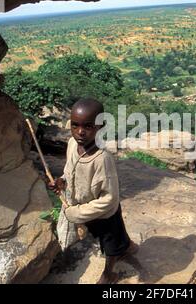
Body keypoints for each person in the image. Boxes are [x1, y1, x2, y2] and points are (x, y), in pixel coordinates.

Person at [49, 98, 138, 284]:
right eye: (75, 125)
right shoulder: (73, 145)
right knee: (116, 234)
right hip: (84, 206)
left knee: (109, 243)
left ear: (100, 126)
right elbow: (69, 170)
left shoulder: (102, 159)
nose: (80, 132)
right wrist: (61, 182)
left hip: (103, 213)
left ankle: (108, 273)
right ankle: (128, 246)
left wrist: (77, 212)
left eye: (88, 126)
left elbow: (110, 199)